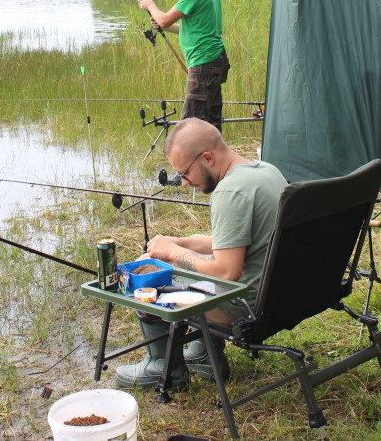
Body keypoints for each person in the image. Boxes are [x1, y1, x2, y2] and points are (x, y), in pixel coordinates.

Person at [114, 118, 288, 391]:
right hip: (279, 297)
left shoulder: (230, 192)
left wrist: (172, 253)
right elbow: (232, 243)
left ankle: (164, 369)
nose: (183, 183)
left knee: (154, 270)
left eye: (184, 173)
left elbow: (226, 271)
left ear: (207, 158)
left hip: (244, 307)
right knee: (179, 256)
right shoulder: (265, 171)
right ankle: (205, 355)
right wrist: (179, 241)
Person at [138, 0, 229, 132]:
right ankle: (214, 159)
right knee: (211, 124)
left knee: (190, 127)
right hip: (216, 61)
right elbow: (193, 30)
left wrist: (150, 5)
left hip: (203, 63)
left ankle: (191, 160)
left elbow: (163, 19)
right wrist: (165, 26)